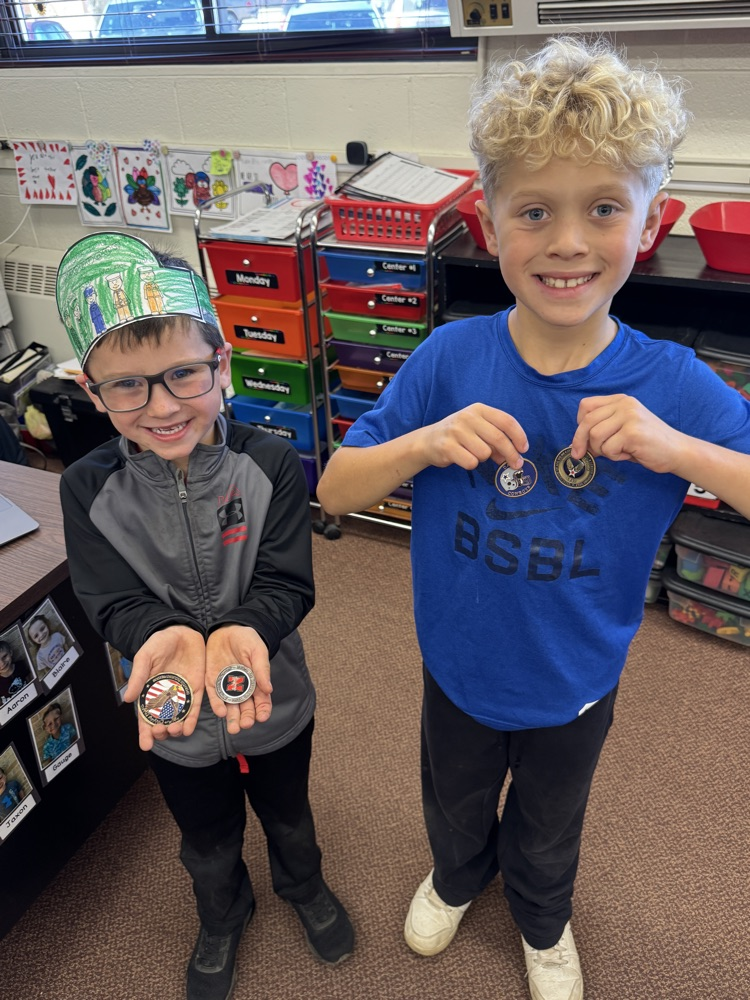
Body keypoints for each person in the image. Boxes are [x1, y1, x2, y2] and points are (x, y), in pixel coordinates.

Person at [316, 34, 750, 1000]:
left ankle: (543, 921)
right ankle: (457, 876)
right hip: (458, 666)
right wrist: (425, 443)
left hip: (576, 681)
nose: (568, 242)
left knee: (551, 825)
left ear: (651, 222)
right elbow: (336, 490)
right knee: (454, 801)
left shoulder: (673, 383)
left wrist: (678, 450)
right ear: (489, 222)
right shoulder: (449, 359)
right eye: (535, 211)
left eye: (604, 208)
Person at [55, 231, 353, 1000]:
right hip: (173, 710)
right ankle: (223, 913)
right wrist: (161, 635)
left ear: (222, 365)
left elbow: (286, 581)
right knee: (205, 831)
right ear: (93, 392)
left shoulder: (271, 463)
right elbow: (108, 597)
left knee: (288, 810)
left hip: (274, 694)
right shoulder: (86, 488)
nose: (161, 406)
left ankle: (302, 883)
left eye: (183, 374)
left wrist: (246, 629)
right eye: (127, 386)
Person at [0, 639, 32, 704]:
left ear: (10, 652)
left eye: (5, 656)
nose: (2, 663)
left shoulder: (21, 665)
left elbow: (31, 681)